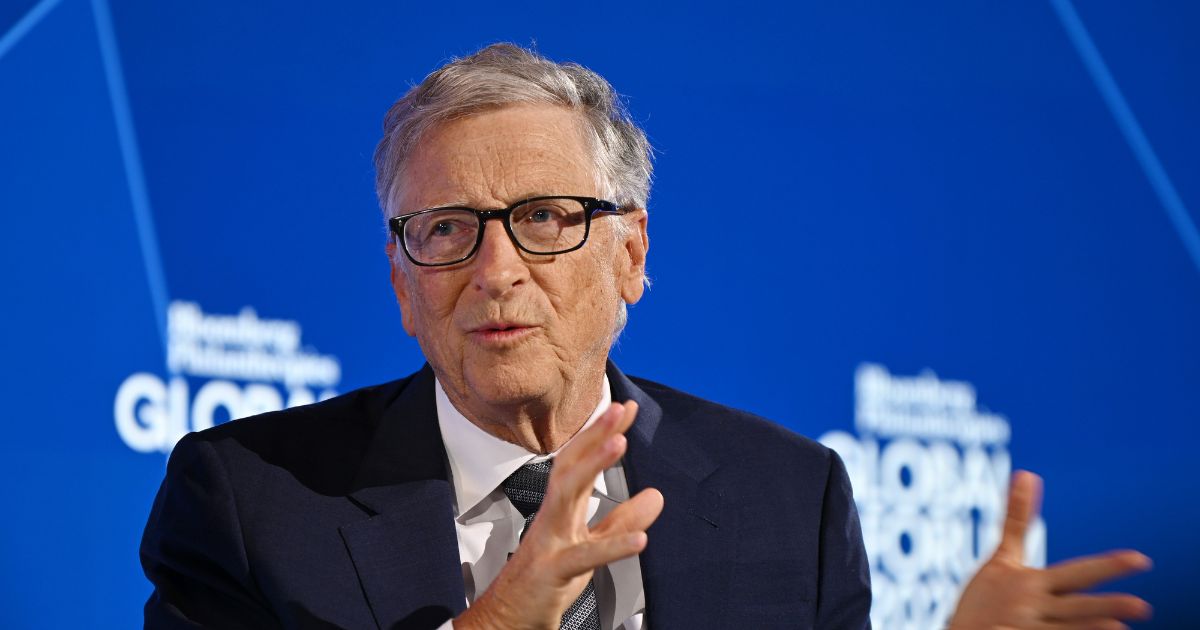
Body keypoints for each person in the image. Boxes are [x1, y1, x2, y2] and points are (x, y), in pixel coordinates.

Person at [141, 43, 1152, 629]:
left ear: (629, 254)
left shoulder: (787, 500)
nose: (495, 271)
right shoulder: (249, 503)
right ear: (403, 283)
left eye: (544, 219)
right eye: (446, 230)